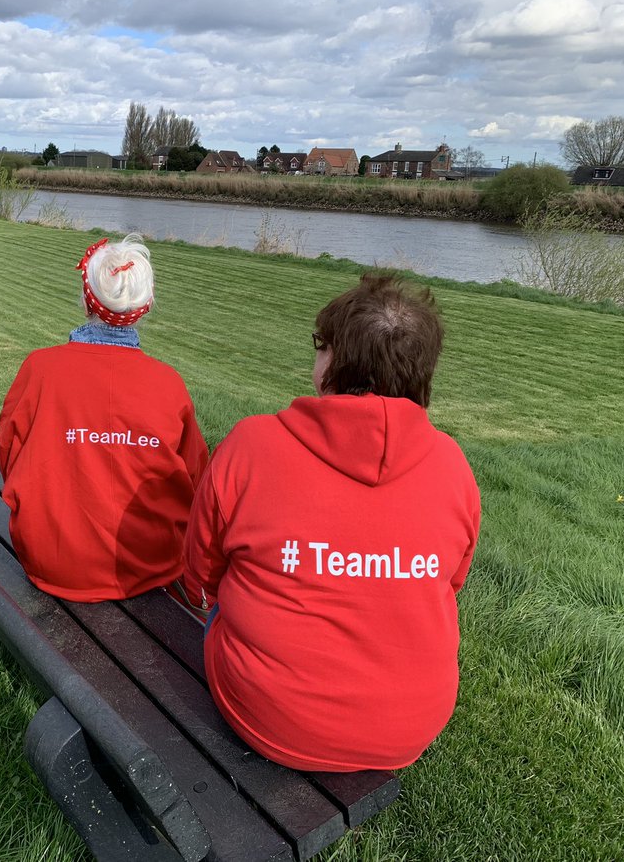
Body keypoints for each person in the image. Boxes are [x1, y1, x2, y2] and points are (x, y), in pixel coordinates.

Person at [182, 271, 480, 772]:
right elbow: (451, 585)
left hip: (267, 717)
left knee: (221, 610)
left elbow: (200, 576)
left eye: (321, 346)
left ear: (334, 362)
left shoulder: (253, 445)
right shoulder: (453, 467)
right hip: (410, 727)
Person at [0, 234, 209, 602]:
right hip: (149, 561)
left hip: (54, 558)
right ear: (146, 305)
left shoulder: (41, 369)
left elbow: (8, 454)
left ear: (85, 300)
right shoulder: (167, 384)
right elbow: (196, 476)